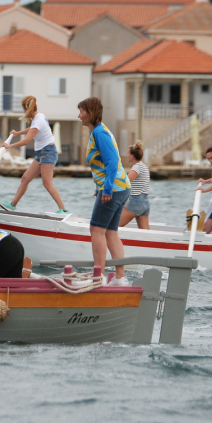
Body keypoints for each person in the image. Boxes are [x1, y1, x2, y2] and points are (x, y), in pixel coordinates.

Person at [78, 97, 130, 284]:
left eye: (82, 111)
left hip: (114, 188)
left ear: (90, 113)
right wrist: (99, 187)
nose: (79, 115)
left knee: (96, 230)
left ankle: (98, 276)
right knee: (110, 232)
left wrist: (106, 188)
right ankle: (120, 278)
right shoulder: (98, 132)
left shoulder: (100, 133)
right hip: (119, 187)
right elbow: (103, 164)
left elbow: (112, 162)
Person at [0, 96, 68, 214]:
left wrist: (9, 146)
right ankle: (12, 205)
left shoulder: (39, 120)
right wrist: (18, 133)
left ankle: (63, 209)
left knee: (47, 184)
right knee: (25, 178)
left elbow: (26, 141)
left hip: (48, 152)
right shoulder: (39, 117)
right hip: (41, 153)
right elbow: (32, 129)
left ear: (27, 109)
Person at [118, 141, 151, 230]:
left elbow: (125, 182)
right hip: (145, 203)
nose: (127, 155)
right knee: (146, 235)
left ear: (132, 156)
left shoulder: (137, 167)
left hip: (136, 202)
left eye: (128, 153)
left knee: (113, 227)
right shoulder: (144, 167)